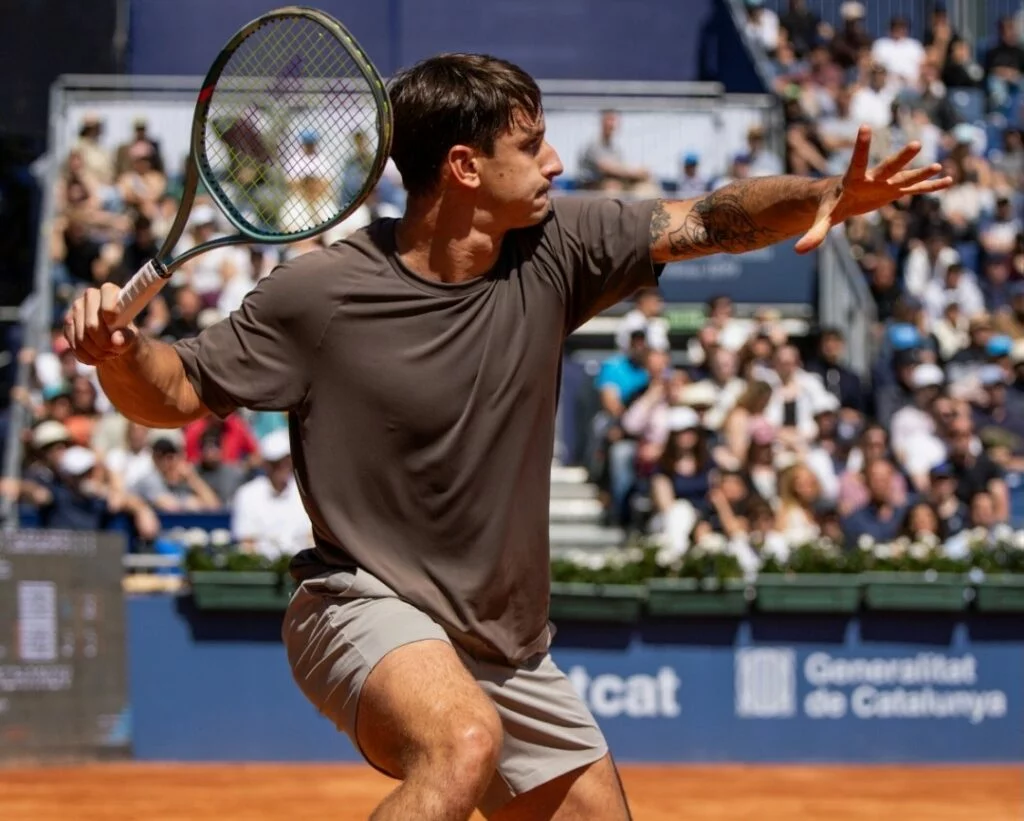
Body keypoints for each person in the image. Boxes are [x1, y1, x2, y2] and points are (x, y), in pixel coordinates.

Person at [64, 53, 950, 821]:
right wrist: (122, 352)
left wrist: (821, 195)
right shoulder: (320, 294)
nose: (555, 161)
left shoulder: (559, 246)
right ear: (464, 166)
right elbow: (173, 392)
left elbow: (712, 218)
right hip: (359, 598)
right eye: (531, 145)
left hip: (504, 642)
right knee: (460, 741)